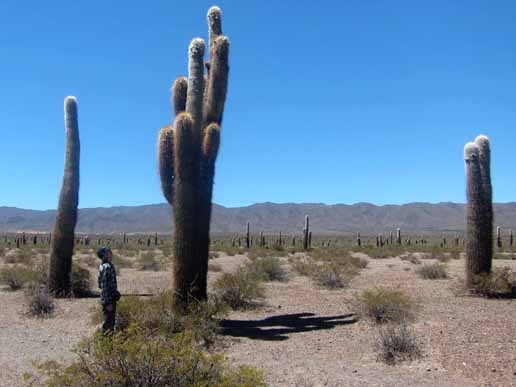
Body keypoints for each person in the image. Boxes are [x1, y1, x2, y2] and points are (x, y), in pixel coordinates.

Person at [97, 247, 120, 335]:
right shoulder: (107, 267)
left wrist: (114, 292)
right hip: (108, 299)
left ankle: (108, 342)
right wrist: (108, 302)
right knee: (108, 322)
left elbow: (99, 284)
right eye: (109, 252)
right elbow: (104, 285)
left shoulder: (103, 266)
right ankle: (105, 343)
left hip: (108, 297)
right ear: (104, 255)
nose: (111, 253)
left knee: (109, 321)